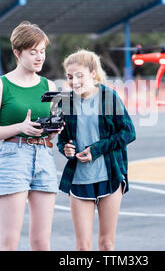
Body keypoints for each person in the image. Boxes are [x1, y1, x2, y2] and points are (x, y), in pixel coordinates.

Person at [0, 21, 61, 251]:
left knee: (41, 242)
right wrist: (20, 127)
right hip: (14, 157)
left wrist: (55, 130)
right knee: (9, 241)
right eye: (33, 52)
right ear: (17, 52)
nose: (39, 57)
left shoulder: (50, 85)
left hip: (45, 157)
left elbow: (55, 130)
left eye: (42, 51)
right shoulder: (0, 85)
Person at [57, 49, 136, 251]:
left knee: (106, 244)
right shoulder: (65, 102)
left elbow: (128, 132)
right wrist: (65, 149)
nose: (74, 81)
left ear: (93, 73)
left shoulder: (108, 97)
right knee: (83, 247)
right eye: (69, 76)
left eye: (79, 75)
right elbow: (62, 139)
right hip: (79, 179)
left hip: (109, 176)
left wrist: (97, 150)